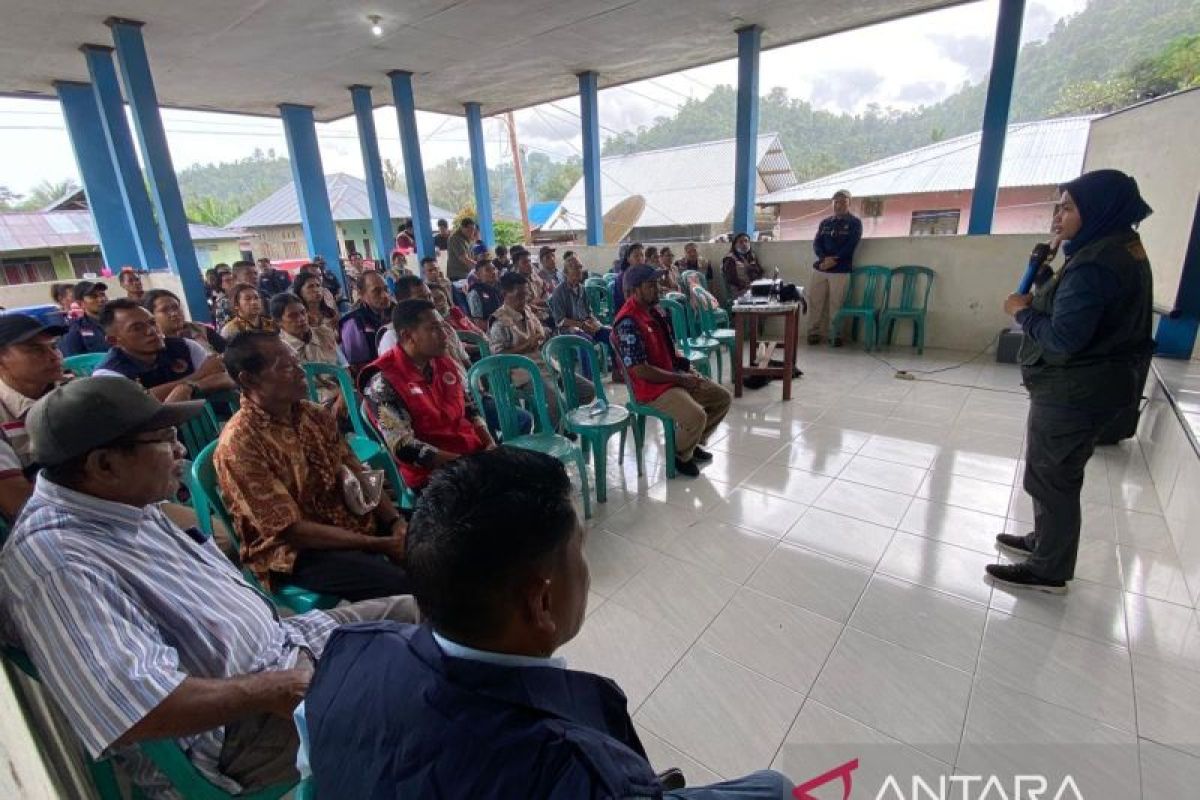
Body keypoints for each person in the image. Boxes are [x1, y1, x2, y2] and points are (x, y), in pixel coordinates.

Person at [0, 377, 418, 799]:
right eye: (164, 439)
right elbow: (142, 707)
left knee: (433, 611)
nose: (179, 449)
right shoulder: (59, 563)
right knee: (419, 703)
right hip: (240, 732)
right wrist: (278, 687)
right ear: (104, 465)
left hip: (287, 647)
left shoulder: (119, 504)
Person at [302, 448, 793, 800]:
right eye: (578, 548)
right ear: (540, 602)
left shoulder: (349, 648)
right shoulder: (570, 760)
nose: (584, 565)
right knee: (778, 788)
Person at [988, 169, 1155, 594]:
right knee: (1052, 473)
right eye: (1057, 206)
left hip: (1076, 389)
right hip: (1099, 384)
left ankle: (1048, 567)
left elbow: (1064, 339)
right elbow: (1078, 310)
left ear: (1096, 208)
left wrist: (1021, 312)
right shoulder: (1116, 248)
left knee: (1052, 476)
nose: (1057, 216)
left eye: (1067, 207)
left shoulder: (1097, 262)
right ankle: (1045, 542)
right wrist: (1044, 276)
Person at [214, 332, 410, 602]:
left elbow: (358, 472)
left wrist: (395, 522)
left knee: (441, 541)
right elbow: (291, 530)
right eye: (285, 367)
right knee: (403, 583)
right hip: (297, 551)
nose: (300, 372)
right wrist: (380, 544)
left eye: (297, 363)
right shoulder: (239, 444)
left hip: (347, 519)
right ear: (248, 379)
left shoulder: (313, 414)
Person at [361, 299, 492, 492]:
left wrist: (489, 442)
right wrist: (466, 463)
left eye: (443, 327)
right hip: (434, 475)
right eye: (434, 328)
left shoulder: (443, 363)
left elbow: (470, 408)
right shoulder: (383, 381)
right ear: (408, 336)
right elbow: (403, 446)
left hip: (472, 456)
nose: (445, 334)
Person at [614, 265, 731, 478]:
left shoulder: (654, 311)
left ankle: (691, 444)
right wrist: (680, 379)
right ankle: (677, 454)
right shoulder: (628, 322)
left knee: (722, 398)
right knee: (696, 416)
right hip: (651, 389)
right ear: (635, 290)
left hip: (671, 375)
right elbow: (640, 370)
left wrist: (687, 370)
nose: (657, 288)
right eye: (650, 285)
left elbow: (668, 348)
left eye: (656, 283)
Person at [489, 272, 593, 428]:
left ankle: (559, 424)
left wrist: (543, 334)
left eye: (526, 294)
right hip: (523, 372)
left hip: (544, 363)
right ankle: (550, 435)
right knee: (558, 404)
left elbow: (540, 332)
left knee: (587, 390)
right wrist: (526, 345)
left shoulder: (527, 311)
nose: (524, 299)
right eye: (519, 295)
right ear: (505, 294)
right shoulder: (499, 321)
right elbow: (498, 357)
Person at [93, 299, 236, 402]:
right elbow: (139, 402)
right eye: (137, 328)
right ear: (114, 340)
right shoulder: (108, 374)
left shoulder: (185, 347)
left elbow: (226, 378)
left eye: (152, 323)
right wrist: (200, 375)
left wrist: (190, 387)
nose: (151, 331)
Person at [0, 315, 67, 522]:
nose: (54, 356)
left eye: (54, 346)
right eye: (35, 350)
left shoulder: (75, 391)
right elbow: (19, 504)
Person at [271, 293, 344, 408]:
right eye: (292, 316)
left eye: (303, 312)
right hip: (304, 407)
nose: (301, 319)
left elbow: (345, 369)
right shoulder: (276, 351)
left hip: (340, 396)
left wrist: (342, 398)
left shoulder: (325, 334)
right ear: (278, 322)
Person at [809, 190, 862, 346]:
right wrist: (824, 259)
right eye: (836, 202)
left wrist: (835, 259)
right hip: (821, 267)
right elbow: (816, 243)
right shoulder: (825, 222)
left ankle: (836, 334)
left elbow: (851, 245)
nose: (838, 205)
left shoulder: (855, 223)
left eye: (843, 202)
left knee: (836, 303)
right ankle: (813, 332)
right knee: (815, 301)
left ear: (849, 203)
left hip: (841, 269)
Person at [549, 254, 612, 369]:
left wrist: (594, 323)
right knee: (585, 342)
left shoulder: (582, 289)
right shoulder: (558, 292)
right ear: (566, 272)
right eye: (574, 267)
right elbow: (560, 321)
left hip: (585, 325)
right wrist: (582, 325)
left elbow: (589, 312)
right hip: (568, 330)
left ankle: (617, 371)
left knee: (612, 334)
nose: (579, 270)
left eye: (580, 267)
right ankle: (589, 380)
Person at [143, 288, 226, 355]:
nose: (174, 313)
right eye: (164, 310)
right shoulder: (153, 343)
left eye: (176, 307)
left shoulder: (200, 330)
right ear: (151, 316)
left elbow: (226, 352)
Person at [339, 271, 393, 370]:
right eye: (376, 291)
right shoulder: (353, 323)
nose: (384, 295)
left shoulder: (395, 312)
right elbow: (359, 367)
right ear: (361, 294)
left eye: (386, 289)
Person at [58, 280, 110, 356]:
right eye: (93, 296)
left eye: (102, 295)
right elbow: (72, 361)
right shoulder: (76, 330)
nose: (101, 299)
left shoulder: (118, 322)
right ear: (80, 303)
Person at [721, 232, 764, 298]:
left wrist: (751, 268)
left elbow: (760, 271)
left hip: (751, 287)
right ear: (735, 245)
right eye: (741, 242)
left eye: (746, 241)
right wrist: (746, 286)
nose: (744, 244)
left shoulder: (752, 256)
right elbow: (731, 279)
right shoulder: (730, 259)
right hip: (738, 291)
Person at [610, 242, 645, 315]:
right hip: (626, 313)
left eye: (642, 255)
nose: (640, 258)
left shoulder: (640, 273)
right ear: (628, 259)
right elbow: (629, 301)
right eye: (636, 256)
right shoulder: (624, 276)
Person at [466, 260, 503, 327]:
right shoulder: (475, 294)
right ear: (478, 275)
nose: (493, 272)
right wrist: (501, 326)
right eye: (488, 270)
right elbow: (478, 323)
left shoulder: (500, 286)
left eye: (494, 269)